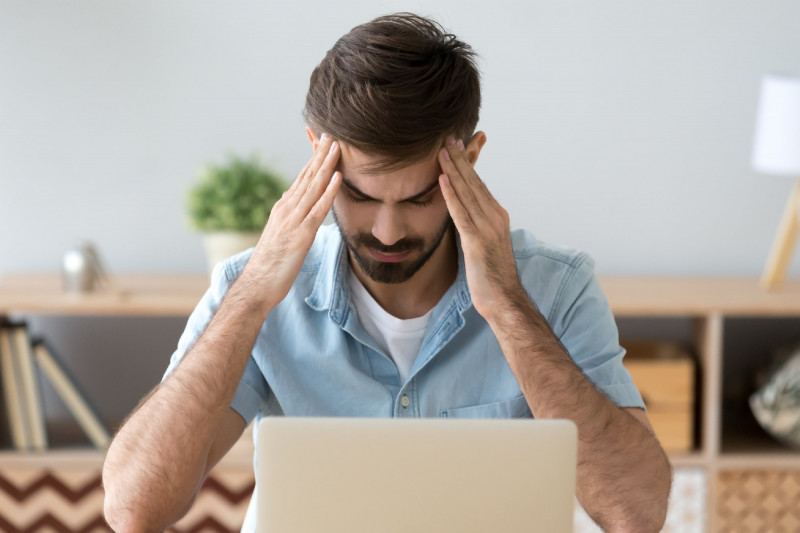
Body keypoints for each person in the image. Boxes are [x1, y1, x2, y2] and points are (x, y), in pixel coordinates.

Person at [102, 12, 671, 533]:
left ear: (469, 160)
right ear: (317, 153)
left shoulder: (555, 288)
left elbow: (636, 513)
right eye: (359, 194)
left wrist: (506, 306)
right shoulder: (250, 288)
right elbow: (133, 508)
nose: (389, 232)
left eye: (420, 199)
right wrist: (252, 298)